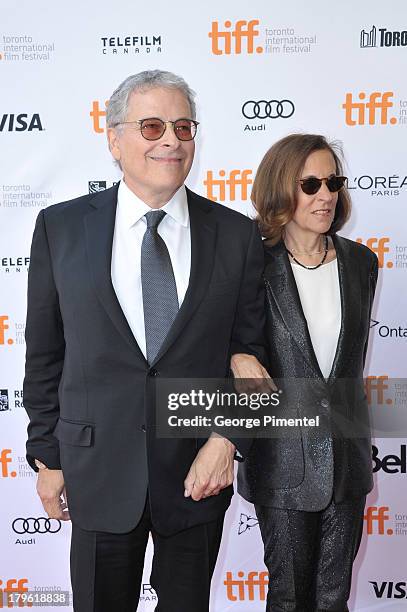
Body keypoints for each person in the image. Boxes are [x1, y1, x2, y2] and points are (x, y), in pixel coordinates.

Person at [23, 70, 266, 612]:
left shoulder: (235, 234)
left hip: (197, 472)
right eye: (152, 126)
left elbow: (254, 354)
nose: (171, 140)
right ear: (114, 138)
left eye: (183, 126)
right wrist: (47, 455)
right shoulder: (60, 229)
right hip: (97, 469)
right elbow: (44, 354)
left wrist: (226, 441)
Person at [232, 134, 379, 611]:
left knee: (334, 598)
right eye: (310, 183)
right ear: (280, 189)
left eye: (333, 181)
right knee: (290, 598)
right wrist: (235, 356)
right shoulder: (251, 262)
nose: (326, 194)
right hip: (282, 461)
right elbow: (216, 338)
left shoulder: (362, 263)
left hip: (347, 459)